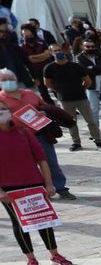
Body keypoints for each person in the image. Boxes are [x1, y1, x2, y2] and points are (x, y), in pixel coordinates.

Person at [0, 104, 71, 265]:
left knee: (43, 220)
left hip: (34, 184)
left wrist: (48, 183)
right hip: (10, 189)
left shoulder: (23, 132)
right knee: (19, 224)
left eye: (4, 109)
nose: (2, 113)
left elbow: (41, 159)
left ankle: (54, 254)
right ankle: (31, 259)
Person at [0, 69, 74, 199]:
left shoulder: (30, 94)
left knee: (50, 162)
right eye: (4, 80)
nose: (9, 82)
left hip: (40, 133)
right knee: (25, 166)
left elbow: (44, 106)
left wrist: (44, 112)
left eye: (10, 79)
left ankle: (60, 188)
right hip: (16, 138)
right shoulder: (1, 99)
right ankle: (34, 190)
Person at [42, 49, 101, 150]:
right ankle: (76, 142)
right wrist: (59, 91)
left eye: (60, 51)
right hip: (65, 100)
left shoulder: (76, 66)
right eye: (56, 52)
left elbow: (87, 81)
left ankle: (98, 140)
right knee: (71, 122)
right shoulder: (49, 68)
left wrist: (81, 89)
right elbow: (47, 83)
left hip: (81, 98)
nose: (59, 55)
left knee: (91, 121)